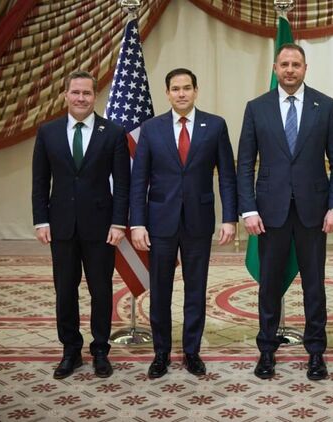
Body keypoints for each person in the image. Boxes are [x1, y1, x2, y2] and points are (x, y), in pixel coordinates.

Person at [237, 43, 333, 381]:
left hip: (314, 212)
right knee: (269, 285)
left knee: (314, 286)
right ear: (275, 68)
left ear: (305, 68)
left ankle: (316, 352)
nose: (289, 70)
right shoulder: (256, 108)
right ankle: (267, 350)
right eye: (284, 64)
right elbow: (245, 163)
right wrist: (248, 209)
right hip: (269, 213)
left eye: (295, 64)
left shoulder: (325, 106)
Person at [130, 68, 237, 379]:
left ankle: (192, 351)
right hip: (159, 223)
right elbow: (139, 180)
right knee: (160, 291)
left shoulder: (215, 125)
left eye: (187, 88)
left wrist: (229, 218)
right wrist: (137, 223)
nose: (181, 93)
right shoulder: (151, 128)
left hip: (198, 222)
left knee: (196, 289)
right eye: (175, 89)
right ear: (167, 93)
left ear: (196, 91)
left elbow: (227, 177)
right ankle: (161, 353)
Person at [32, 70, 130, 379]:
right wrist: (41, 220)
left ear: (95, 96)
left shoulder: (112, 132)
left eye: (87, 93)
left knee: (101, 291)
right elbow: (40, 181)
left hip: (101, 227)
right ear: (65, 95)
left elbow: (123, 184)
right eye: (75, 92)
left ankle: (100, 350)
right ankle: (70, 351)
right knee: (65, 290)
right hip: (61, 226)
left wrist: (119, 223)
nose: (81, 98)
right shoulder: (48, 132)